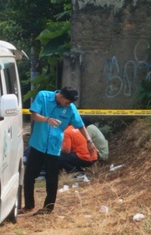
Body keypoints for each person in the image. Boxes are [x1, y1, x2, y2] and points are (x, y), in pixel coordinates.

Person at [20, 86, 97, 215]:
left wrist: (89, 141)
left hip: (53, 147)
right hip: (38, 144)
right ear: (60, 96)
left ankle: (48, 208)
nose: (68, 105)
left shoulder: (70, 108)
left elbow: (80, 125)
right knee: (29, 176)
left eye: (70, 103)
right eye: (67, 102)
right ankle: (28, 205)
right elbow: (34, 115)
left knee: (52, 179)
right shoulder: (43, 96)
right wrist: (47, 119)